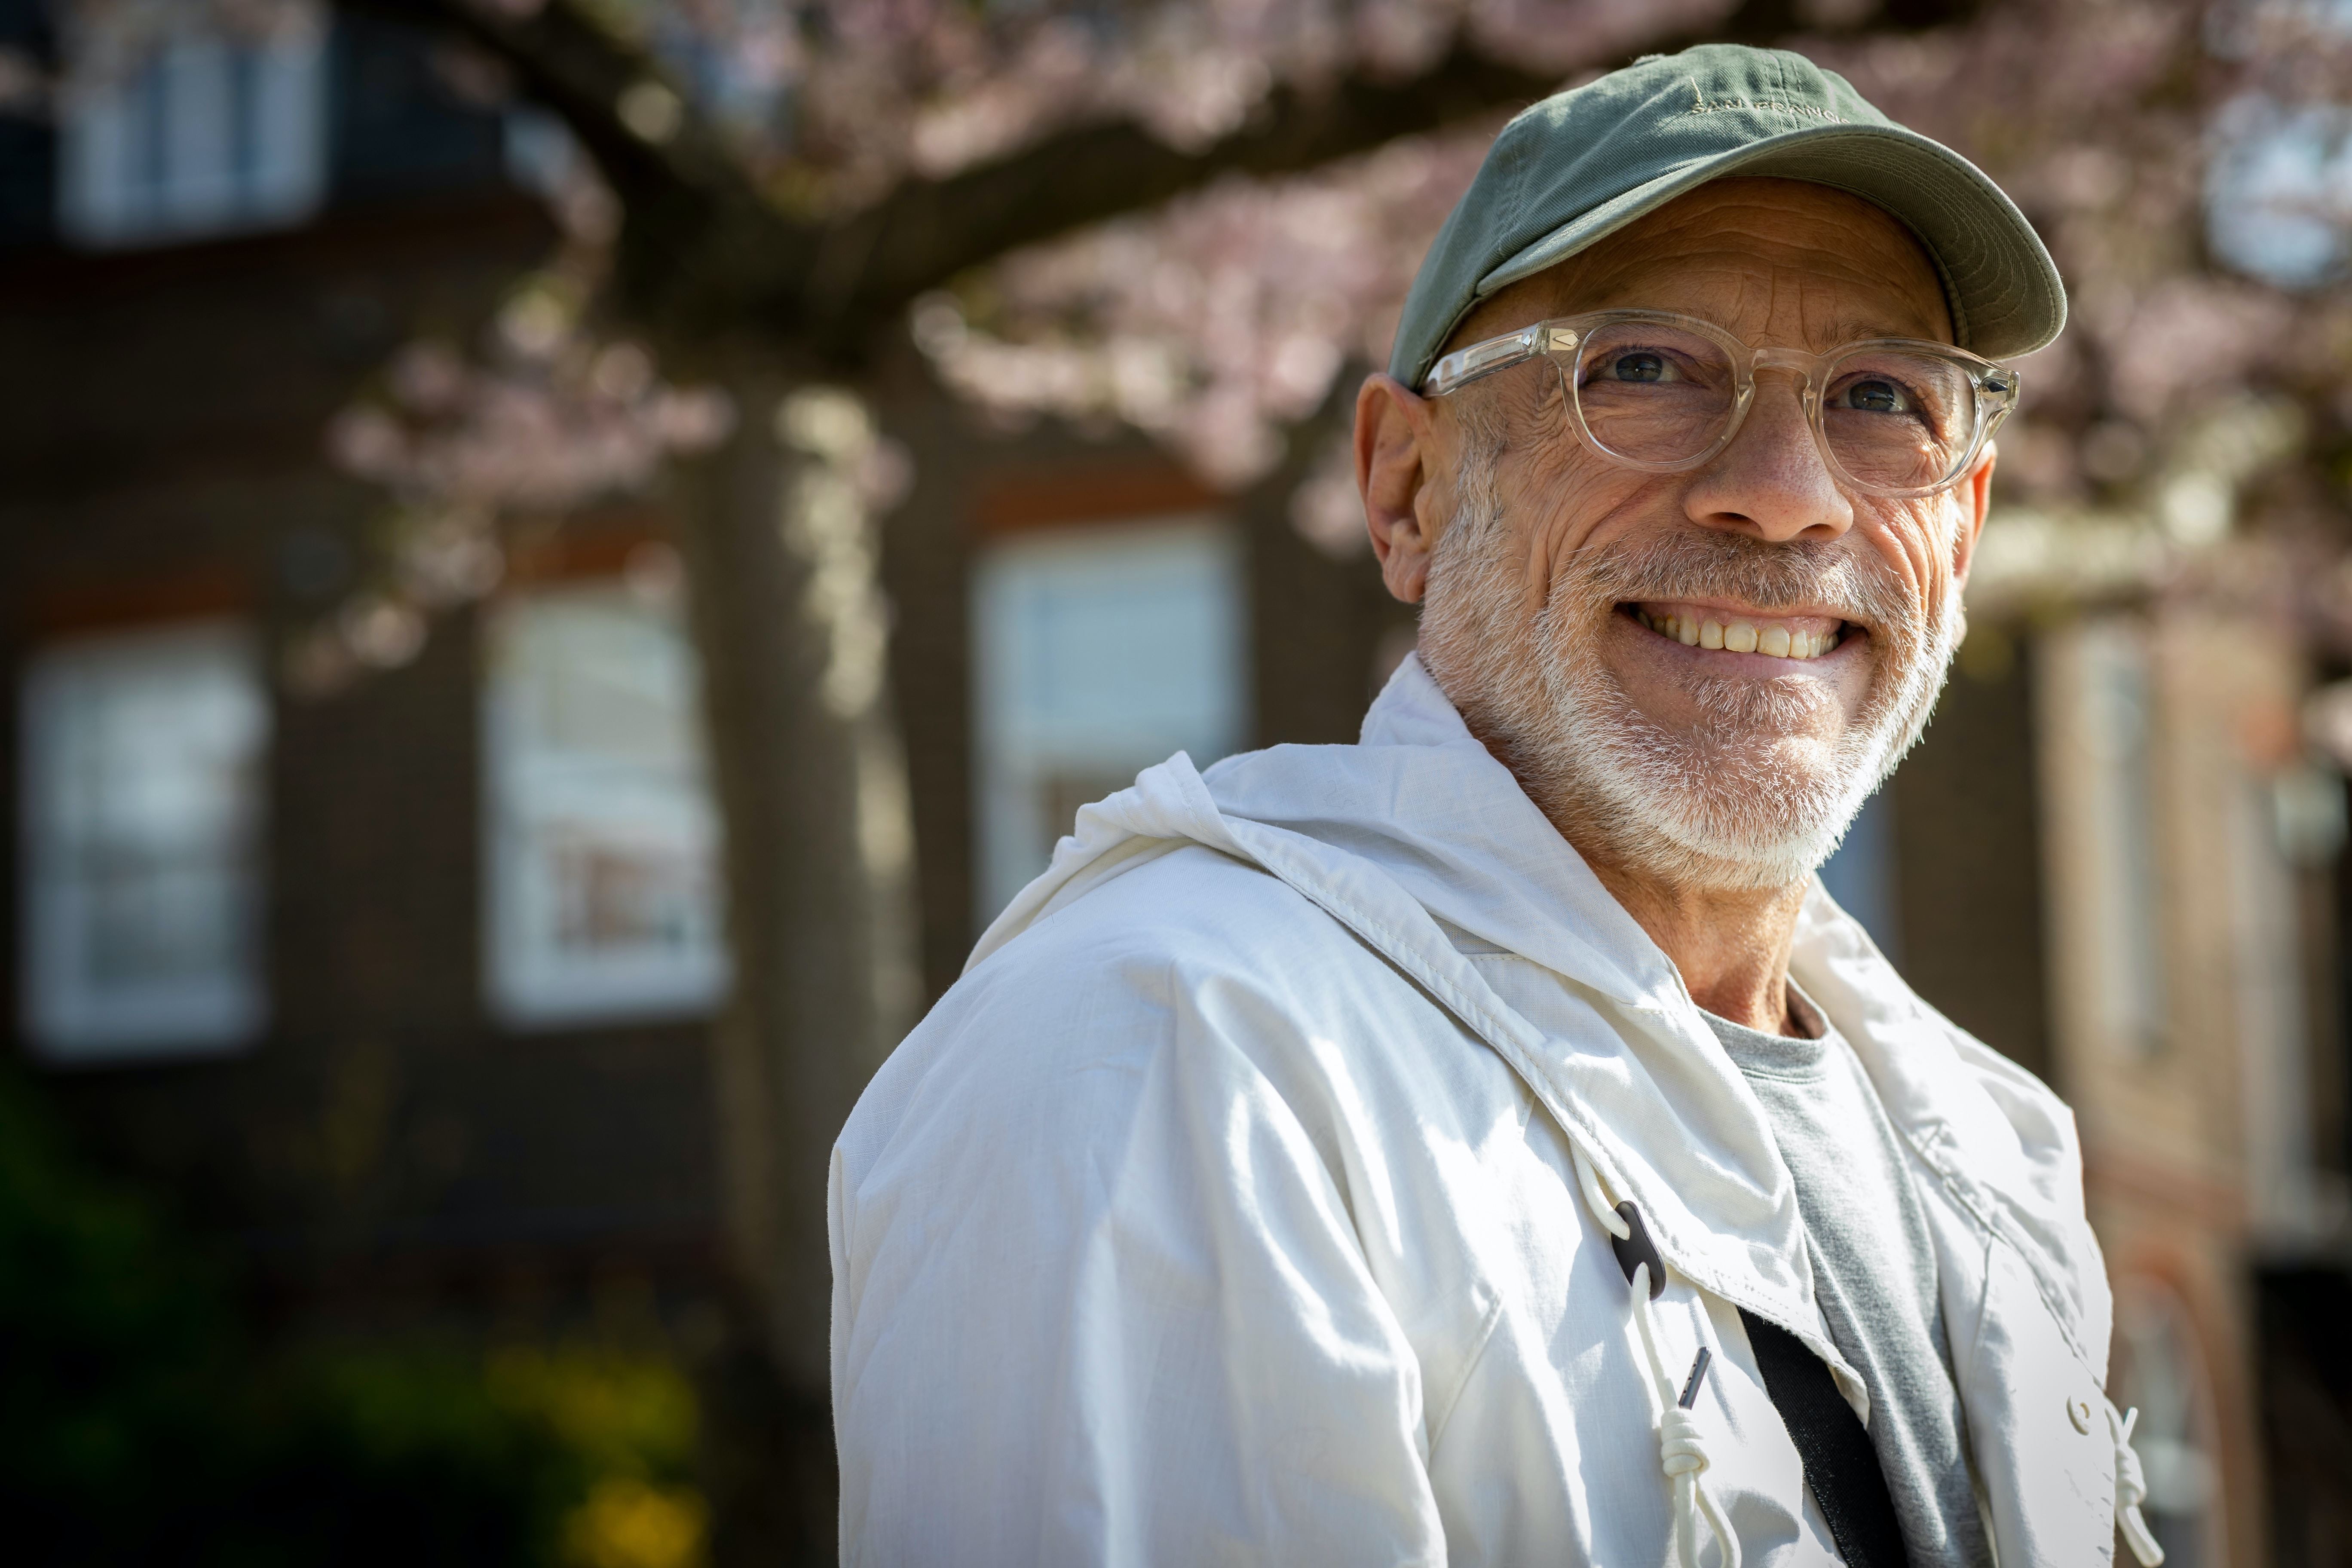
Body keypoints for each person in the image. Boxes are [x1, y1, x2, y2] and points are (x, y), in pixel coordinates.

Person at [830, 43, 2164, 1568]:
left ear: (1967, 527)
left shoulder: (1994, 1146)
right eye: (1643, 368)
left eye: (1881, 397)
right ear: (1407, 488)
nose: (1788, 490)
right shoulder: (1181, 1060)